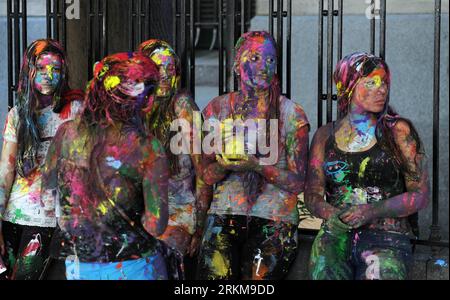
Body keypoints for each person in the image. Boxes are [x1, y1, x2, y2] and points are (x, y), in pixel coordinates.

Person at [41, 52, 171, 280]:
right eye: (148, 91)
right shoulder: (148, 148)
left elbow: (47, 198)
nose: (151, 101)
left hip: (79, 263)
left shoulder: (66, 134)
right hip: (133, 265)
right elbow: (156, 225)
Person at [305, 52, 429, 280]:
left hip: (386, 238)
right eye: (371, 82)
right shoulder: (325, 136)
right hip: (335, 237)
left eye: (384, 82)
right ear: (348, 86)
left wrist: (371, 210)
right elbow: (312, 195)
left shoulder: (399, 132)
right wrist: (334, 215)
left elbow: (420, 195)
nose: (381, 89)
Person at [198, 31, 310, 280]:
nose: (264, 66)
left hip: (274, 218)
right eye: (256, 58)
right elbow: (206, 175)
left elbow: (299, 182)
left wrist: (258, 166)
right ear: (237, 65)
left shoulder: (291, 114)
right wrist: (225, 164)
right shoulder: (217, 108)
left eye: (271, 60)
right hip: (224, 214)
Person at [0, 39, 83, 280]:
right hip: (14, 217)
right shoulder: (18, 115)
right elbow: (6, 172)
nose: (48, 75)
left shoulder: (75, 110)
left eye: (55, 69)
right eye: (42, 68)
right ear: (29, 70)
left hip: (50, 220)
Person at [138, 40, 212, 278]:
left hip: (178, 212)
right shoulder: (136, 109)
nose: (166, 76)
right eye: (159, 69)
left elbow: (204, 173)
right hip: (141, 212)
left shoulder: (184, 108)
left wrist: (199, 229)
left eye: (172, 70)